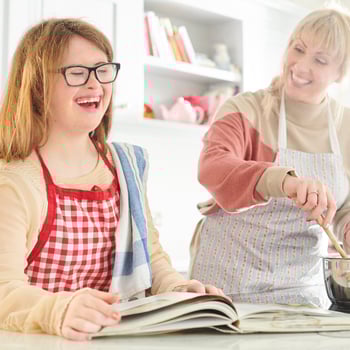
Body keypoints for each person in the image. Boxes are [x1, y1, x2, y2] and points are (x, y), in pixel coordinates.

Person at [0, 18, 224, 341]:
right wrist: (58, 310)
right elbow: (4, 291)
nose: (95, 85)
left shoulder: (124, 167)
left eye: (102, 70)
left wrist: (177, 287)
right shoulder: (16, 183)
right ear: (36, 86)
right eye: (76, 73)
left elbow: (152, 257)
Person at [189, 7, 350, 309]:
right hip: (226, 292)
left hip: (301, 294)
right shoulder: (245, 109)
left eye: (320, 60)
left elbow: (343, 209)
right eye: (298, 49)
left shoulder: (346, 128)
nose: (301, 65)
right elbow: (212, 166)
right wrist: (283, 182)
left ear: (340, 72)